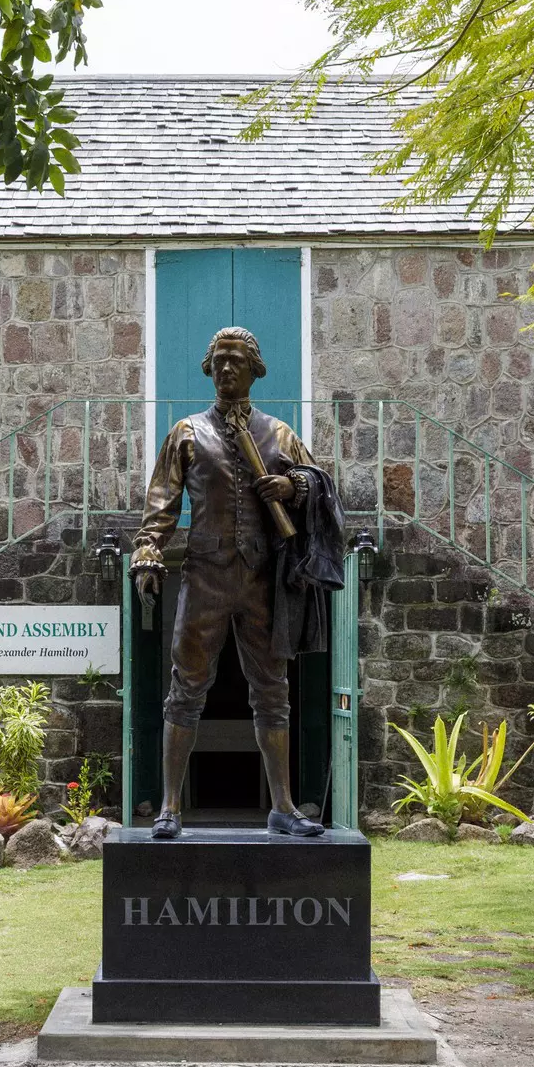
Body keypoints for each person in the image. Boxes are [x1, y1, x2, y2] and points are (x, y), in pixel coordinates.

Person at [131, 326, 329, 840]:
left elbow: (320, 485)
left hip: (263, 579)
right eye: (218, 360)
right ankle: (171, 806)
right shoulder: (187, 433)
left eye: (236, 360)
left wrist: (292, 483)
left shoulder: (281, 434)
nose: (226, 368)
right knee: (186, 688)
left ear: (255, 370)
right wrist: (149, 550)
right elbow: (161, 505)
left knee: (273, 691)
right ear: (208, 367)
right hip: (205, 576)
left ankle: (282, 806)